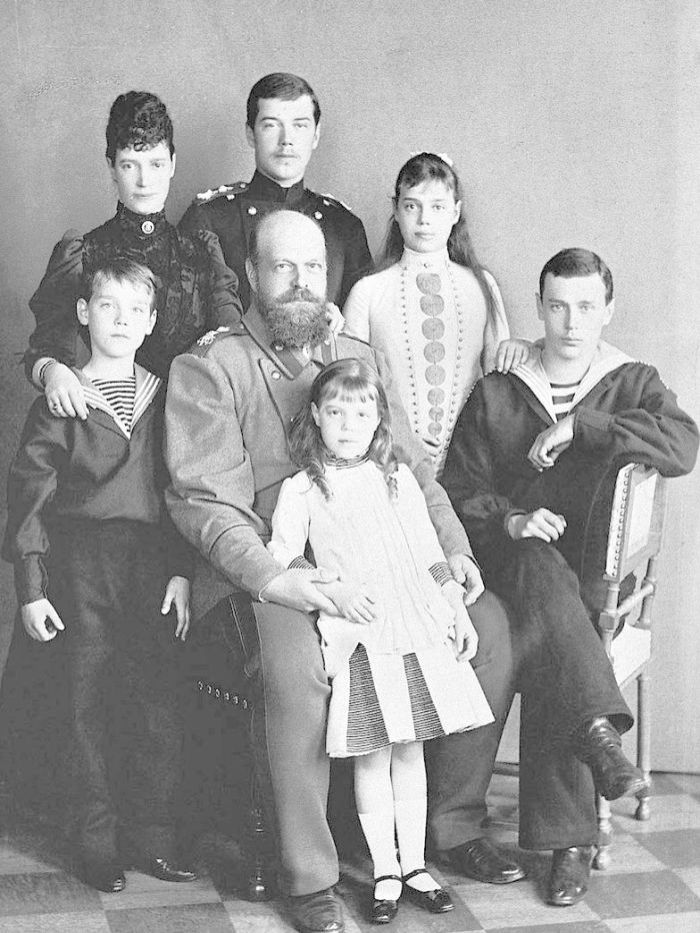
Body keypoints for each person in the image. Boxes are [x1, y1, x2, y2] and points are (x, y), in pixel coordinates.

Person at [164, 209, 514, 933]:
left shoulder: (356, 355)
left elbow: (416, 473)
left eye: (314, 267)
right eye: (283, 267)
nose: (301, 282)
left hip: (384, 561)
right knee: (298, 670)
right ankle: (312, 875)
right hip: (268, 567)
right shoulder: (213, 365)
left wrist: (454, 554)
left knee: (489, 629)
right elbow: (207, 503)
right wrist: (278, 579)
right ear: (252, 274)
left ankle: (438, 832)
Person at [439, 247, 699, 907]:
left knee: (554, 620)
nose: (571, 321)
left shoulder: (630, 381)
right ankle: (576, 820)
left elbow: (682, 445)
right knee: (541, 575)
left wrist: (585, 426)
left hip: (590, 576)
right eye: (557, 305)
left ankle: (572, 786)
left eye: (586, 306)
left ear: (608, 307)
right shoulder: (501, 388)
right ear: (539, 306)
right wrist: (513, 520)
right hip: (505, 563)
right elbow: (458, 488)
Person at [268, 358, 494, 923]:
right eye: (336, 413)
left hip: (413, 626)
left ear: (379, 421)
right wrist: (333, 590)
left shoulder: (397, 479)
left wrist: (455, 611)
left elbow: (429, 552)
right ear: (315, 415)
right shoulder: (303, 488)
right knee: (373, 754)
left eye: (362, 414)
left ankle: (415, 865)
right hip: (360, 632)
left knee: (410, 750)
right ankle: (385, 872)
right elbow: (284, 554)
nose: (349, 425)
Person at [2, 259, 198, 893]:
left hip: (151, 565)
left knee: (155, 703)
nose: (121, 320)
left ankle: (152, 836)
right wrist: (31, 589)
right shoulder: (63, 399)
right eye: (107, 306)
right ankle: (94, 840)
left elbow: (181, 491)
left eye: (135, 310)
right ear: (84, 314)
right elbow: (29, 500)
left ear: (152, 322)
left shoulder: (166, 396)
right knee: (81, 703)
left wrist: (182, 572)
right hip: (79, 564)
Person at [25, 90, 241, 419]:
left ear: (172, 164)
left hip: (190, 425)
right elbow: (45, 347)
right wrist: (53, 371)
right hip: (108, 424)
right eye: (129, 165)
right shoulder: (83, 253)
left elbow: (231, 348)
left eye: (156, 164)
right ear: (111, 167)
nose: (144, 181)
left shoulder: (202, 254)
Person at [342, 152, 511, 474]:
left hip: (470, 462)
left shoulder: (481, 286)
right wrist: (398, 437)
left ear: (455, 212)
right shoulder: (368, 291)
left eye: (437, 207)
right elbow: (350, 388)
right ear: (396, 210)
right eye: (411, 206)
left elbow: (499, 383)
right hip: (389, 460)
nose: (424, 220)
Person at [179, 72, 372, 309]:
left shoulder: (343, 226)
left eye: (299, 125)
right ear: (251, 134)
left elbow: (361, 321)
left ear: (316, 135)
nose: (286, 140)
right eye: (271, 125)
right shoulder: (210, 218)